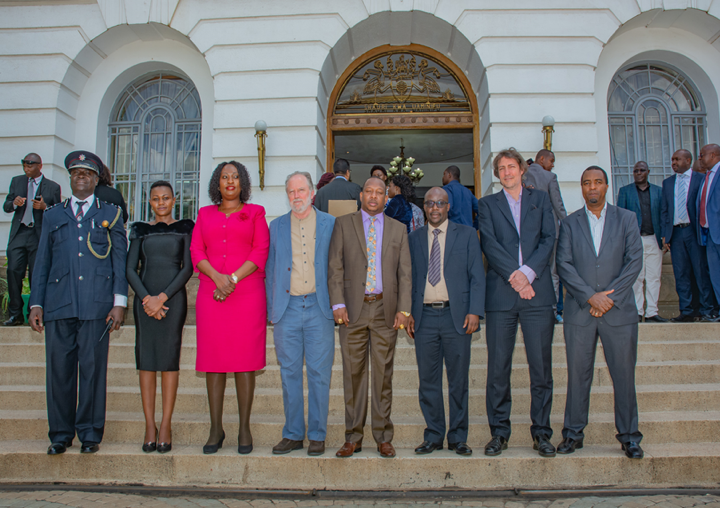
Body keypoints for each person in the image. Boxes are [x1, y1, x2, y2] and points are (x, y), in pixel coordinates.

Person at [28, 150, 127, 455]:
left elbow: (119, 260)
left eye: (87, 174)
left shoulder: (110, 214)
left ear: (96, 180)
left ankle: (89, 433)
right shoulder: (54, 214)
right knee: (59, 371)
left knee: (93, 370)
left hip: (97, 305)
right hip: (59, 304)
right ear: (69, 179)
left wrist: (119, 302)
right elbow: (42, 261)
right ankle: (60, 433)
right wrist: (36, 304)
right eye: (75, 173)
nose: (80, 178)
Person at [556, 165, 644, 459]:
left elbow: (634, 261)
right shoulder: (569, 223)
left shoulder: (627, 219)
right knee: (578, 375)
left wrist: (609, 298)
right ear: (581, 188)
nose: (591, 187)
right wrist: (590, 297)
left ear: (606, 186)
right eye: (586, 183)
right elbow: (564, 265)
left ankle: (630, 436)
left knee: (623, 375)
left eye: (597, 182)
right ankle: (573, 434)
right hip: (580, 312)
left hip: (618, 312)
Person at [477, 148, 557, 458]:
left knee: (541, 369)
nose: (508, 172)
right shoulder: (487, 205)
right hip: (501, 296)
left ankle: (542, 433)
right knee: (498, 368)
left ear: (522, 169)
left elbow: (549, 239)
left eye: (512, 166)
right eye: (502, 168)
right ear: (497, 174)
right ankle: (499, 432)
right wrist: (514, 276)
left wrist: (527, 274)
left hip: (536, 294)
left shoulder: (541, 200)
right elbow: (489, 244)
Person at [328, 177, 411, 459]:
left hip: (385, 310)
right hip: (352, 310)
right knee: (353, 375)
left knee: (382, 375)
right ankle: (353, 437)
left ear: (386, 197)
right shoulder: (343, 224)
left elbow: (405, 273)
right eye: (369, 191)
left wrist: (404, 309)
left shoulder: (399, 229)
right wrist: (337, 303)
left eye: (380, 192)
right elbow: (335, 266)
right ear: (361, 195)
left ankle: (383, 436)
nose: (374, 196)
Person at [190, 161, 269, 455]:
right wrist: (216, 277)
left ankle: (244, 427)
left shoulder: (255, 212)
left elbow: (260, 249)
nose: (230, 181)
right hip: (212, 294)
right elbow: (196, 250)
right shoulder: (204, 214)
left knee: (245, 359)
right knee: (214, 360)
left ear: (242, 182)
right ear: (217, 183)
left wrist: (232, 278)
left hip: (246, 294)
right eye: (225, 177)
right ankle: (215, 428)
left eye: (235, 176)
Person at [407, 187, 485, 456]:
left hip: (458, 317)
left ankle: (458, 437)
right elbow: (408, 279)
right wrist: (407, 313)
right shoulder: (414, 238)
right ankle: (434, 435)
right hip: (425, 317)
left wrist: (475, 311)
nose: (435, 208)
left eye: (440, 203)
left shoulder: (466, 235)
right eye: (430, 203)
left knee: (458, 381)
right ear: (425, 207)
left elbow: (477, 275)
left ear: (448, 206)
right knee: (428, 381)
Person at [266, 172, 336, 456]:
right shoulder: (276, 226)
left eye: (301, 190)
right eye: (291, 191)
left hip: (320, 307)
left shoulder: (331, 224)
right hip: (288, 309)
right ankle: (293, 433)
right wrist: (271, 308)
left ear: (312, 192)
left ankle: (317, 435)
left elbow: (338, 266)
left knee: (320, 374)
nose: (296, 195)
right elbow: (269, 268)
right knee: (289, 373)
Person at [126, 181, 194, 454]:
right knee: (146, 362)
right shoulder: (140, 230)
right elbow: (130, 269)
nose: (161, 202)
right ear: (150, 202)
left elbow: (187, 268)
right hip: (144, 301)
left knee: (168, 361)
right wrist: (147, 300)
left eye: (166, 198)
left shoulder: (185, 227)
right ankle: (149, 425)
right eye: (156, 199)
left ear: (174, 200)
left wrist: (162, 298)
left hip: (173, 301)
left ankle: (165, 424)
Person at [3, 153, 61, 326]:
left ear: (39, 166)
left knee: (37, 274)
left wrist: (45, 207)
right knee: (13, 271)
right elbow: (6, 206)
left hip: (39, 235)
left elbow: (58, 214)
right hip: (19, 232)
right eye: (24, 166)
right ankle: (15, 314)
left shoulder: (52, 187)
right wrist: (15, 203)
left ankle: (33, 313)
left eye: (30, 166)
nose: (26, 169)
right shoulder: (17, 181)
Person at [661, 150, 717, 322]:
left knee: (701, 271)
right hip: (676, 233)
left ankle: (707, 309)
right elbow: (664, 210)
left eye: (677, 159)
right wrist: (665, 235)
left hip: (694, 232)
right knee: (681, 273)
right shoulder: (667, 183)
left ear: (688, 160)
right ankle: (686, 310)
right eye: (672, 160)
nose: (674, 162)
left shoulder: (701, 179)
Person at [616, 161, 666, 323]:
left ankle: (652, 312)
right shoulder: (625, 191)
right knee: (636, 277)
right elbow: (619, 219)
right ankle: (637, 311)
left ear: (648, 172)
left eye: (642, 170)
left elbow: (664, 215)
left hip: (654, 239)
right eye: (636, 170)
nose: (638, 173)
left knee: (654, 277)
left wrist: (666, 237)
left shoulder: (659, 192)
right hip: (634, 241)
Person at [524, 149, 567, 322]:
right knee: (553, 273)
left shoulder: (522, 175)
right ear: (542, 159)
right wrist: (570, 225)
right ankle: (552, 311)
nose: (553, 165)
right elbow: (558, 204)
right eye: (551, 161)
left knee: (529, 271)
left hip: (528, 235)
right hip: (551, 233)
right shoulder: (550, 177)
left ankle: (532, 309)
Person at [697, 144, 720, 307]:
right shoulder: (706, 176)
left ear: (713, 155)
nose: (700, 158)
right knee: (715, 275)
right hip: (709, 235)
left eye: (702, 155)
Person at [442, 165, 478, 229]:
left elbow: (447, 209)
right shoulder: (468, 192)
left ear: (449, 175)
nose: (443, 177)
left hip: (452, 231)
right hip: (468, 232)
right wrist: (474, 227)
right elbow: (482, 211)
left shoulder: (446, 189)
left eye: (444, 174)